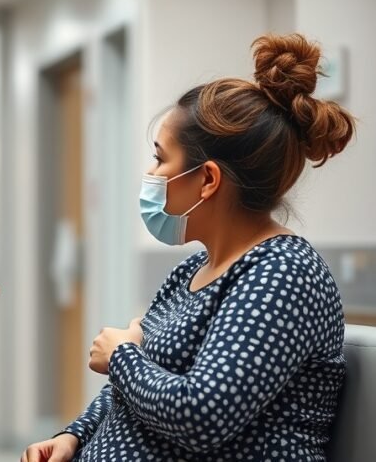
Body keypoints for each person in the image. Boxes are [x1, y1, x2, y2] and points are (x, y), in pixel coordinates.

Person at [23, 33, 355, 461]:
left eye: (161, 158)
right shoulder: (193, 270)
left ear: (208, 179)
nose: (151, 171)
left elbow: (204, 415)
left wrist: (122, 354)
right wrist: (75, 436)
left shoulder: (284, 274)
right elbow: (132, 395)